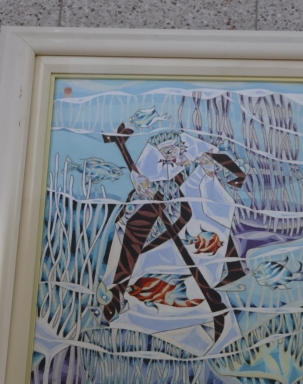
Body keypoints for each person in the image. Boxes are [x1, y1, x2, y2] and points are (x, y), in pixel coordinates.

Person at [98, 129, 248, 347]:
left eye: (174, 150)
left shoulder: (189, 146)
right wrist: (143, 187)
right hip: (155, 204)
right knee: (134, 232)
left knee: (210, 221)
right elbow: (141, 179)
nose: (172, 156)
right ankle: (117, 293)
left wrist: (237, 175)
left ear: (180, 146)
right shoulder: (150, 159)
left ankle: (232, 270)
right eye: (166, 152)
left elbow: (217, 156)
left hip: (181, 204)